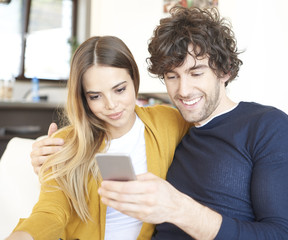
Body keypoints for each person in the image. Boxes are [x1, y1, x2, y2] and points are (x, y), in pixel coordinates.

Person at [30, 6, 288, 240]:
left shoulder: (267, 127)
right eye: (172, 76)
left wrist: (178, 208)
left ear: (225, 70)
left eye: (196, 73)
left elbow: (283, 235)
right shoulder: (176, 126)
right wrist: (53, 155)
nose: (183, 91)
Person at [6, 36, 191, 240]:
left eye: (120, 89)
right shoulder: (64, 143)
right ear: (83, 98)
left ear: (134, 81)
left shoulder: (168, 122)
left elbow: (212, 129)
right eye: (95, 96)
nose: (111, 105)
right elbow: (50, 213)